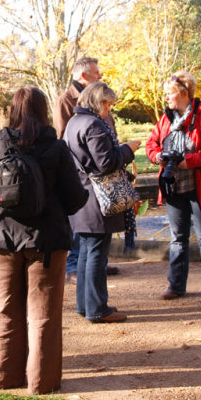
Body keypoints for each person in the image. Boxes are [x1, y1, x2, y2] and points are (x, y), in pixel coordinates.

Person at [0, 86, 87, 394]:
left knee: (5, 308)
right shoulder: (56, 147)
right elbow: (75, 198)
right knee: (44, 313)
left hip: (1, 240)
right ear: (43, 110)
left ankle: (4, 379)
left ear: (13, 109)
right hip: (46, 241)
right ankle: (42, 384)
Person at [145, 71, 201, 307]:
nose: (166, 97)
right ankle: (176, 286)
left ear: (184, 93)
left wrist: (189, 161)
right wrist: (158, 156)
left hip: (200, 187)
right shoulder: (165, 119)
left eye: (169, 93)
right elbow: (152, 144)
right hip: (173, 187)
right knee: (177, 239)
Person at [63, 82, 140, 323]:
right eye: (107, 104)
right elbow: (106, 163)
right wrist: (128, 150)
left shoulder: (73, 123)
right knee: (96, 254)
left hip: (81, 195)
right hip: (98, 198)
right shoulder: (93, 124)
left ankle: (85, 304)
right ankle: (98, 308)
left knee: (86, 252)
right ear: (98, 101)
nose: (109, 110)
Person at [53, 56, 121, 282]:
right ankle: (75, 267)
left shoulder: (98, 98)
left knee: (94, 241)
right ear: (82, 76)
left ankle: (94, 265)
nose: (100, 76)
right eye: (96, 74)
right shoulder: (68, 101)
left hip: (98, 172)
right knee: (84, 226)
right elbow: (62, 137)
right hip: (83, 173)